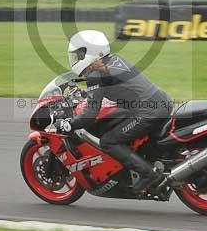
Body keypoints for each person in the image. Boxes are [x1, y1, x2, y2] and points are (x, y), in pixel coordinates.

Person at [52, 30, 171, 194]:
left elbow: (89, 116)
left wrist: (68, 124)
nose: (76, 59)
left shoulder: (96, 74)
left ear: (89, 53)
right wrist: (87, 95)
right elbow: (118, 90)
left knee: (109, 141)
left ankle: (148, 175)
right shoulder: (116, 59)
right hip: (162, 101)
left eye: (78, 54)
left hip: (148, 111)